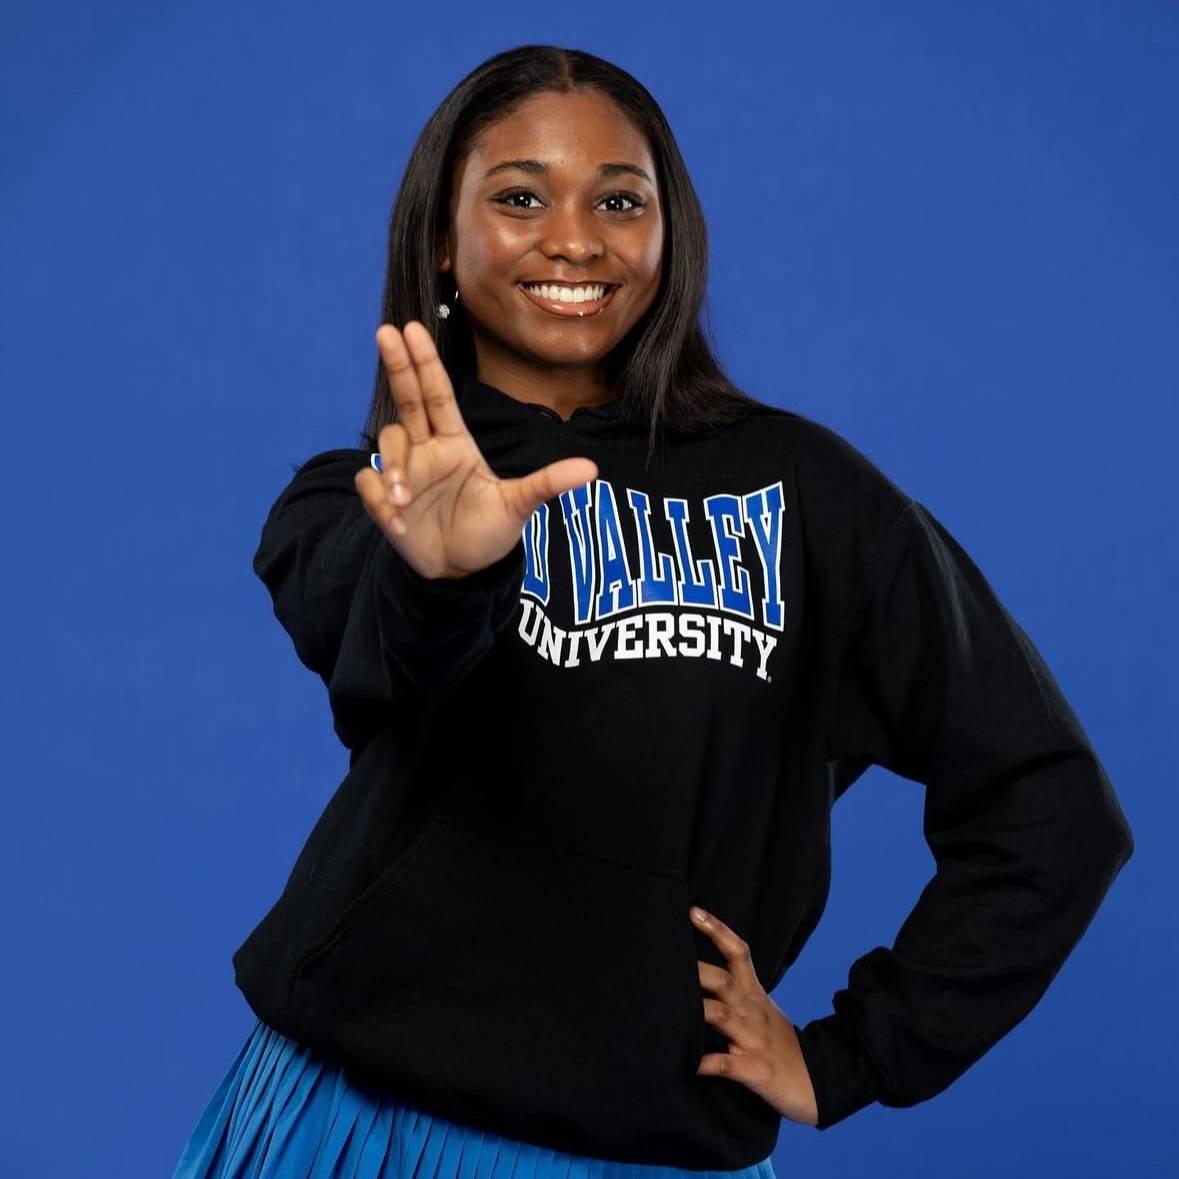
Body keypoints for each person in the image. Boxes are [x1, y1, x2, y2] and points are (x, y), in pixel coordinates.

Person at [170, 42, 1134, 1179]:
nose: (574, 238)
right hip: (351, 1117)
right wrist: (443, 572)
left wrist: (856, 1055)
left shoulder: (810, 493)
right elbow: (377, 663)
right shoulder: (362, 494)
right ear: (442, 234)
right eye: (520, 196)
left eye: (619, 200)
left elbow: (1052, 806)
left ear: (669, 235)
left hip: (646, 1146)